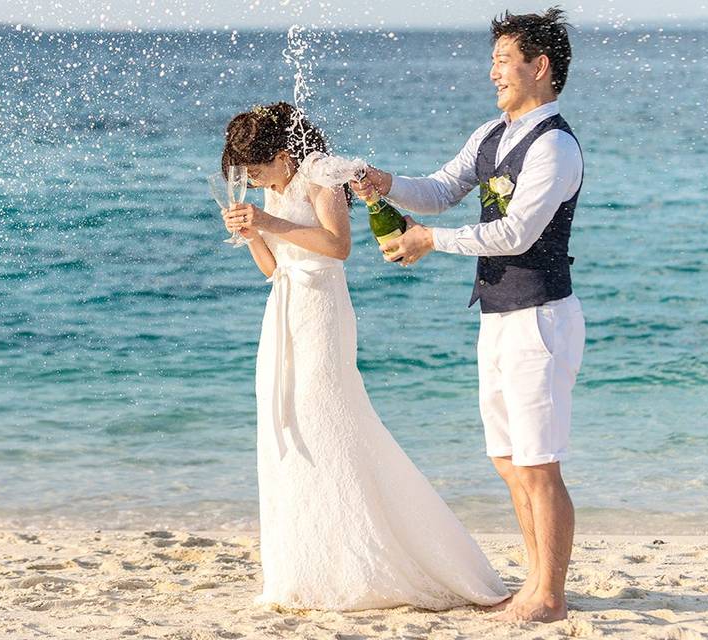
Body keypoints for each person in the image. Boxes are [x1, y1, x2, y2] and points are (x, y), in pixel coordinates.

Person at [219, 101, 509, 612]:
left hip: (322, 313)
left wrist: (268, 220)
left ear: (285, 155)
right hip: (283, 311)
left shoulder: (320, 176)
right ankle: (308, 564)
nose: (255, 181)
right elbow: (272, 269)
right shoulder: (270, 190)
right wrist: (251, 234)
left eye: (259, 170)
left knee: (328, 421)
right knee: (286, 427)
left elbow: (338, 246)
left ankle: (374, 557)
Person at [352, 8, 585, 623]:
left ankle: (550, 597)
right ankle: (536, 583)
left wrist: (430, 241)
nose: (492, 74)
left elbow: (513, 233)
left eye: (503, 61)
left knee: (539, 464)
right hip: (498, 315)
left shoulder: (555, 145)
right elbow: (440, 187)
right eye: (492, 61)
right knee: (508, 460)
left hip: (541, 317)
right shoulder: (490, 135)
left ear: (539, 67)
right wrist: (385, 182)